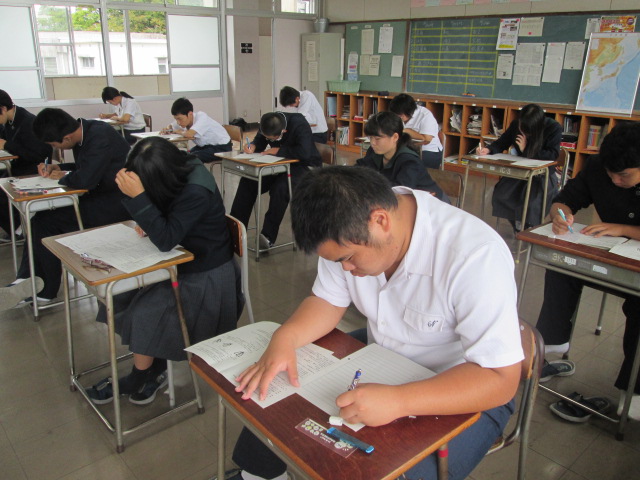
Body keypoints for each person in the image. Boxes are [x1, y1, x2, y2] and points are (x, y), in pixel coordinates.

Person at [229, 166, 523, 480]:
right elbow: (327, 301)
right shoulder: (347, 226)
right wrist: (285, 338)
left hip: (466, 388)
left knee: (385, 471)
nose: (345, 269)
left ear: (380, 221)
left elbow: (500, 379)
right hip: (384, 357)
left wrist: (400, 401)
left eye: (347, 258)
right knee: (274, 411)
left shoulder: (474, 255)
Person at [86, 137, 244, 405]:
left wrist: (141, 200)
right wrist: (151, 217)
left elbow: (167, 238)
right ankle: (153, 364)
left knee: (144, 312)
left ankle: (140, 375)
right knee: (119, 296)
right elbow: (169, 213)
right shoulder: (180, 167)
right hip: (178, 261)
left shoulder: (196, 189)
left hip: (207, 275)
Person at [535, 122, 640, 421]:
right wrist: (560, 214)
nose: (615, 180)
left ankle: (634, 388)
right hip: (609, 257)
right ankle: (552, 343)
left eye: (624, 175)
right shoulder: (598, 167)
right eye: (610, 174)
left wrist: (623, 229)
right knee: (562, 266)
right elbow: (566, 198)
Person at [0, 108, 131, 308]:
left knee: (45, 223)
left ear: (67, 138)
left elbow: (85, 180)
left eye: (55, 145)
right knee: (40, 219)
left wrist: (62, 176)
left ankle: (43, 289)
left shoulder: (100, 136)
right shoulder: (86, 131)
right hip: (99, 196)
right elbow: (86, 166)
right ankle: (27, 278)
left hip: (117, 203)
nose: (54, 148)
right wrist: (60, 167)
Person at [230, 111, 321, 249]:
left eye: (272, 139)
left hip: (304, 166)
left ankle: (268, 236)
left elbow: (304, 152)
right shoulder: (267, 122)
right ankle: (235, 229)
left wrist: (278, 150)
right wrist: (253, 145)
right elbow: (260, 140)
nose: (270, 141)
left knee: (281, 188)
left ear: (283, 131)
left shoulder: (299, 123)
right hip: (279, 164)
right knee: (248, 181)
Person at [476, 103, 562, 232]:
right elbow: (502, 142)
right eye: (522, 128)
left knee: (532, 204)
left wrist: (526, 149)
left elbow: (552, 155)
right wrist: (488, 150)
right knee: (501, 195)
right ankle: (518, 226)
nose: (524, 132)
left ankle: (528, 228)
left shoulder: (553, 127)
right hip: (519, 172)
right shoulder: (516, 125)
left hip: (541, 175)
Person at [356, 111, 447, 201]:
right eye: (370, 137)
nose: (372, 143)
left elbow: (398, 192)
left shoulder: (409, 161)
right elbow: (358, 170)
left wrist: (367, 183)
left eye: (377, 138)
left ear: (395, 137)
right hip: (403, 202)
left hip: (432, 203)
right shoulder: (374, 151)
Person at [0, 89, 52, 239]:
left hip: (33, 170)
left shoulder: (28, 121)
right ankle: (16, 227)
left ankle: (20, 229)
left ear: (3, 108)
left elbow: (38, 155)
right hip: (18, 167)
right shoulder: (8, 121)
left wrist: (6, 145)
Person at [161, 97, 232, 163]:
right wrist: (167, 129)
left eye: (179, 119)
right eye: (176, 119)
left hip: (222, 148)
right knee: (183, 155)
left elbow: (189, 134)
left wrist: (178, 131)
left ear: (190, 114)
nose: (178, 122)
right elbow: (171, 126)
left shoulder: (202, 117)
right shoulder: (183, 120)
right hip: (205, 146)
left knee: (191, 158)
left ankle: (198, 172)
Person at [389, 93, 443, 169]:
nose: (398, 117)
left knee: (409, 164)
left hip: (428, 150)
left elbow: (427, 139)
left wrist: (407, 131)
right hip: (407, 148)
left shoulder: (425, 115)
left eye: (400, 115)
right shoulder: (397, 115)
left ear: (409, 111)